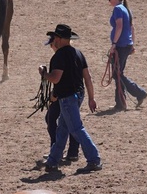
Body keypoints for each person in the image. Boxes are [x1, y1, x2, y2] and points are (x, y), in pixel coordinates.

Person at [39, 24, 101, 172]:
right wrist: (91, 98)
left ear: (59, 39)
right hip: (78, 94)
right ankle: (53, 160)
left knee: (76, 129)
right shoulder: (78, 53)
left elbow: (55, 78)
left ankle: (94, 159)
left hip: (67, 97)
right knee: (62, 128)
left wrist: (43, 74)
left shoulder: (59, 56)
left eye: (54, 37)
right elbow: (88, 77)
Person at [107, 0, 147, 111]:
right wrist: (132, 44)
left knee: (117, 73)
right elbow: (132, 28)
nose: (109, 1)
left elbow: (119, 26)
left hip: (120, 45)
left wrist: (114, 44)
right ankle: (121, 102)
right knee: (118, 73)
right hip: (126, 44)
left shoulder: (118, 9)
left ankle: (138, 93)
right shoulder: (127, 9)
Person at [44, 37, 80, 163]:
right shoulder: (75, 54)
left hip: (65, 94)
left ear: (56, 43)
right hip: (73, 92)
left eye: (51, 44)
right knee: (70, 122)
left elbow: (59, 79)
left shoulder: (59, 57)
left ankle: (56, 150)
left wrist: (44, 75)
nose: (51, 47)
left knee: (53, 118)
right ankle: (71, 151)